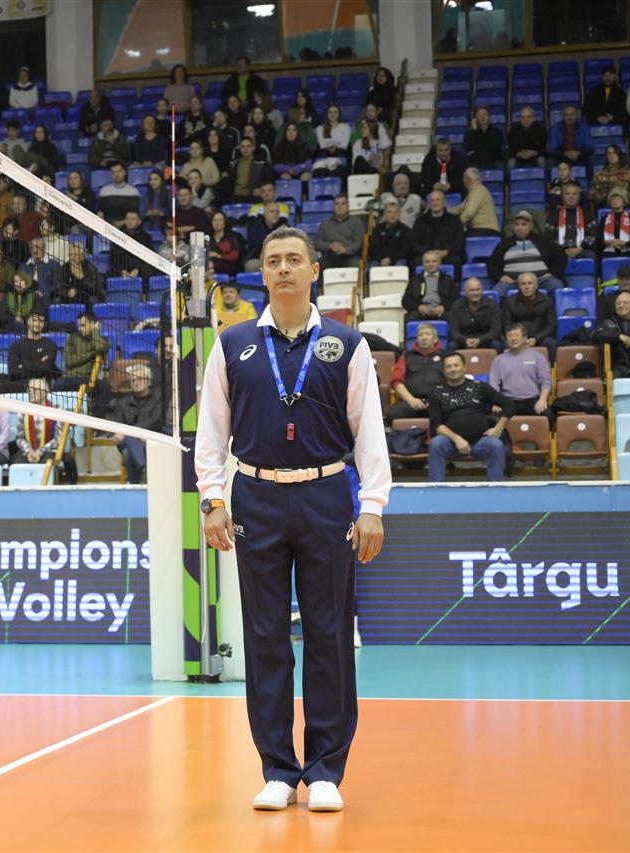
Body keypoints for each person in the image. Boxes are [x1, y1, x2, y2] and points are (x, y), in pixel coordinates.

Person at [195, 225, 389, 813]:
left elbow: (369, 430)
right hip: (255, 497)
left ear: (313, 271)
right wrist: (212, 499)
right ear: (262, 272)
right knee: (265, 636)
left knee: (329, 633)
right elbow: (211, 431)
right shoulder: (232, 344)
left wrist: (372, 506)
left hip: (327, 495)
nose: (283, 268)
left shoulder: (346, 343)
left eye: (293, 259)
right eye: (273, 260)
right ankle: (278, 769)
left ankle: (326, 769)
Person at [427, 352, 512, 482]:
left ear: (464, 368)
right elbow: (436, 425)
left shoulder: (479, 386)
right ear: (444, 371)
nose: (453, 369)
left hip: (480, 441)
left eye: (456, 365)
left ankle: (495, 487)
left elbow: (509, 405)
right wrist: (457, 439)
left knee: (496, 445)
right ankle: (436, 487)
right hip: (450, 443)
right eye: (449, 366)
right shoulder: (436, 391)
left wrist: (498, 428)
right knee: (435, 444)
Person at [12, 377, 77, 484]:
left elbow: (58, 439)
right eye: (29, 390)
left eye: (35, 390)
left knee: (45, 465)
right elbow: (19, 437)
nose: (31, 393)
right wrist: (29, 451)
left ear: (45, 393)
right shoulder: (23, 410)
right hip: (28, 450)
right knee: (18, 465)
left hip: (50, 450)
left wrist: (40, 451)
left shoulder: (57, 409)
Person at [487, 210, 565, 296]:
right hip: (513, 282)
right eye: (517, 224)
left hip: (541, 281)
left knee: (557, 287)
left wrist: (553, 273)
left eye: (524, 224)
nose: (520, 227)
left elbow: (561, 255)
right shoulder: (504, 244)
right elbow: (491, 264)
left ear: (531, 226)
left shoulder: (543, 241)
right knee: (496, 292)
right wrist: (500, 276)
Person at [489, 324, 552, 419]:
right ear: (506, 340)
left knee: (548, 415)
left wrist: (542, 400)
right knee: (493, 418)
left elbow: (546, 381)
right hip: (509, 401)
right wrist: (496, 402)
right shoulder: (498, 360)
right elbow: (494, 384)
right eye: (510, 336)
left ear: (525, 338)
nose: (513, 338)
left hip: (533, 400)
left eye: (516, 335)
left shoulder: (538, 357)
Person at [388, 323, 445, 421]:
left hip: (438, 402)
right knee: (391, 415)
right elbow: (396, 381)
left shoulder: (446, 356)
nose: (424, 337)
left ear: (435, 339)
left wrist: (436, 401)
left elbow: (453, 379)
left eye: (427, 334)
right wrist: (411, 400)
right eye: (420, 335)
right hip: (411, 401)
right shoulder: (406, 356)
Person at [502, 272, 558, 358]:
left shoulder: (547, 301)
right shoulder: (509, 302)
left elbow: (552, 325)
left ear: (536, 285)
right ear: (519, 286)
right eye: (523, 284)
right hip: (517, 338)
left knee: (551, 343)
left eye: (530, 283)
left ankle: (552, 366)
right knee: (504, 345)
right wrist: (519, 338)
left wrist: (536, 338)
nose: (526, 287)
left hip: (541, 338)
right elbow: (506, 324)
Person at [593, 291, 630, 378]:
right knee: (614, 378)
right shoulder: (608, 322)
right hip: (621, 368)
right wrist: (619, 336)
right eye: (618, 303)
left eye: (625, 303)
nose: (621, 305)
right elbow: (597, 334)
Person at [410, 189, 466, 271]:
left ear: (444, 202)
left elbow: (459, 242)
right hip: (426, 255)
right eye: (432, 201)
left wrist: (445, 252)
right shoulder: (420, 221)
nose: (435, 203)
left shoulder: (454, 220)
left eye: (438, 200)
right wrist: (428, 253)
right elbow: (415, 243)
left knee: (456, 261)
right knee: (415, 262)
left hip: (448, 255)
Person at [7, 308, 60, 388]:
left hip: (42, 385)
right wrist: (39, 364)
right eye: (34, 320)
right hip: (21, 386)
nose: (37, 324)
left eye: (41, 321)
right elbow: (13, 372)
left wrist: (23, 366)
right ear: (28, 321)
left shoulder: (51, 345)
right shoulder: (15, 346)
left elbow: (46, 368)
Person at [448, 277, 502, 351]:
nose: (475, 293)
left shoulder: (492, 305)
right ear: (465, 292)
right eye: (472, 290)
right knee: (452, 346)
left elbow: (495, 330)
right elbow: (453, 331)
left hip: (485, 339)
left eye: (478, 290)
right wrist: (464, 340)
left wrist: (480, 340)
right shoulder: (457, 305)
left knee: (497, 344)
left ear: (482, 290)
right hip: (464, 340)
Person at [402, 251, 458, 322]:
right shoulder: (415, 280)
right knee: (409, 318)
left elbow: (455, 300)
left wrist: (444, 307)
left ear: (439, 263)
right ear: (423, 264)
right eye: (427, 262)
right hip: (420, 312)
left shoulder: (448, 279)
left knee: (453, 318)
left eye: (434, 261)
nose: (430, 264)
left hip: (442, 311)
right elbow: (405, 301)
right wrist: (418, 307)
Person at [549, 181, 595, 263]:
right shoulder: (553, 215)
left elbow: (592, 235)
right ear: (563, 197)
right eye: (568, 194)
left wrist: (580, 248)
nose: (571, 196)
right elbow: (548, 238)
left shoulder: (587, 214)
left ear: (579, 197)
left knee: (590, 255)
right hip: (559, 251)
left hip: (581, 250)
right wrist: (562, 251)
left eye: (574, 194)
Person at [314, 195, 363, 270]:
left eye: (343, 204)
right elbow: (316, 242)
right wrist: (330, 246)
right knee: (318, 264)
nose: (339, 206)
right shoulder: (325, 223)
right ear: (333, 207)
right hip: (331, 257)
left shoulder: (357, 222)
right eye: (337, 204)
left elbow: (359, 242)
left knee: (356, 264)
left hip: (350, 257)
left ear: (348, 206)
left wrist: (346, 249)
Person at [448, 167, 499, 236]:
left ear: (468, 179)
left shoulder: (478, 191)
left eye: (464, 178)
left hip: (487, 231)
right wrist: (445, 210)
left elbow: (469, 213)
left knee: (456, 236)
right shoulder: (474, 191)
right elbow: (459, 209)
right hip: (482, 230)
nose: (463, 181)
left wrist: (456, 224)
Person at [97, 162, 142, 228]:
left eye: (119, 171)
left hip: (127, 227)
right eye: (113, 172)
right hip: (106, 227)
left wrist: (123, 222)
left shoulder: (133, 191)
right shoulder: (104, 191)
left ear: (124, 172)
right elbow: (100, 210)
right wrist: (100, 214)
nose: (116, 175)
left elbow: (135, 213)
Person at [368, 202, 412, 268]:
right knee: (372, 267)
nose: (392, 215)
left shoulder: (406, 230)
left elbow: (405, 251)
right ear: (385, 214)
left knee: (400, 266)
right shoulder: (377, 229)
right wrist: (381, 259)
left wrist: (390, 259)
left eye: (395, 212)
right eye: (389, 212)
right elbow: (374, 249)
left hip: (398, 259)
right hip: (380, 260)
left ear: (399, 214)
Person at [507, 105, 548, 172]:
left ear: (533, 118)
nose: (525, 120)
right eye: (523, 117)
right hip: (518, 158)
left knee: (541, 161)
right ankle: (509, 179)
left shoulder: (541, 129)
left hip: (536, 157)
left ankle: (545, 178)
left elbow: (544, 148)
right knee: (511, 163)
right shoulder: (513, 131)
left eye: (528, 117)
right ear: (519, 119)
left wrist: (534, 152)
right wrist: (518, 154)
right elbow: (510, 150)